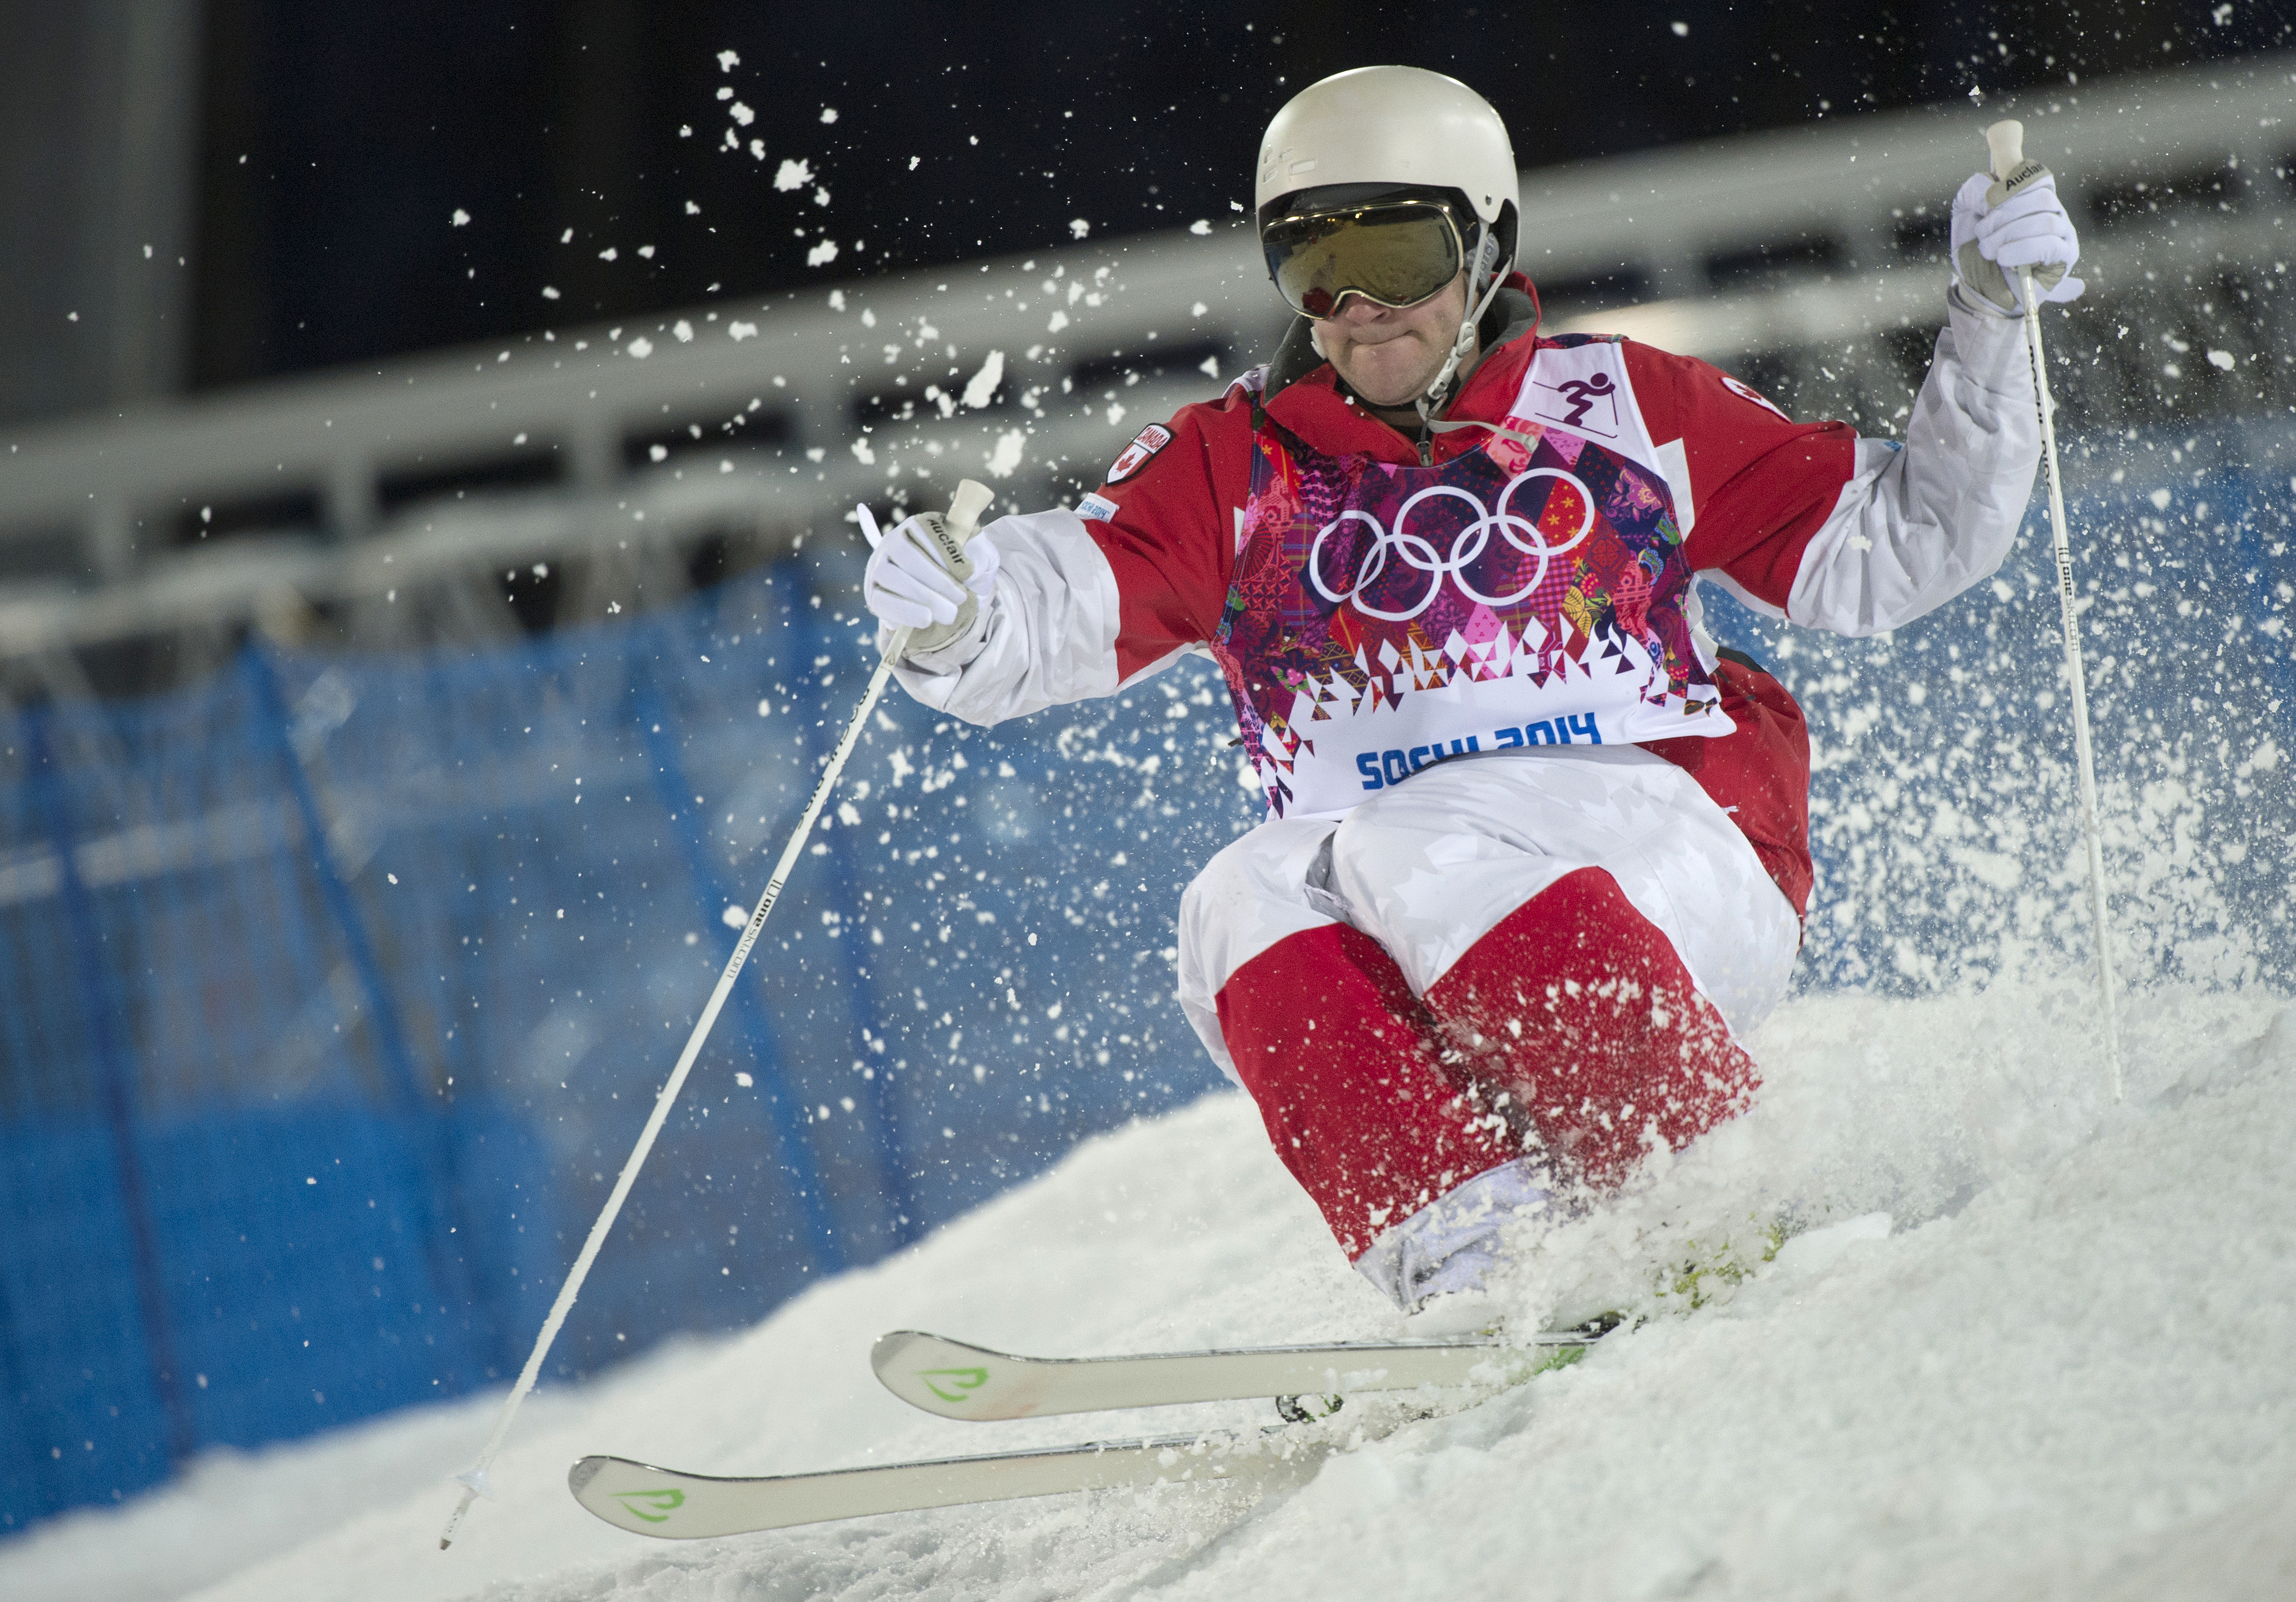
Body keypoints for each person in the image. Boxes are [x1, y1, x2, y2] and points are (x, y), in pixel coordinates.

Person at [859, 66, 2081, 1310]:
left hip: (1667, 860)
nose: (1358, 309)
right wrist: (958, 611)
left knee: (1407, 841)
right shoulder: (1236, 466)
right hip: (1424, 920)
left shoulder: (1616, 407)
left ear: (1486, 245)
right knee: (1237, 896)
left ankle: (1706, 1183)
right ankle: (1482, 1264)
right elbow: (1059, 596)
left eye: (1397, 258)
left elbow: (1903, 542)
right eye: (1313, 267)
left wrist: (1988, 323)